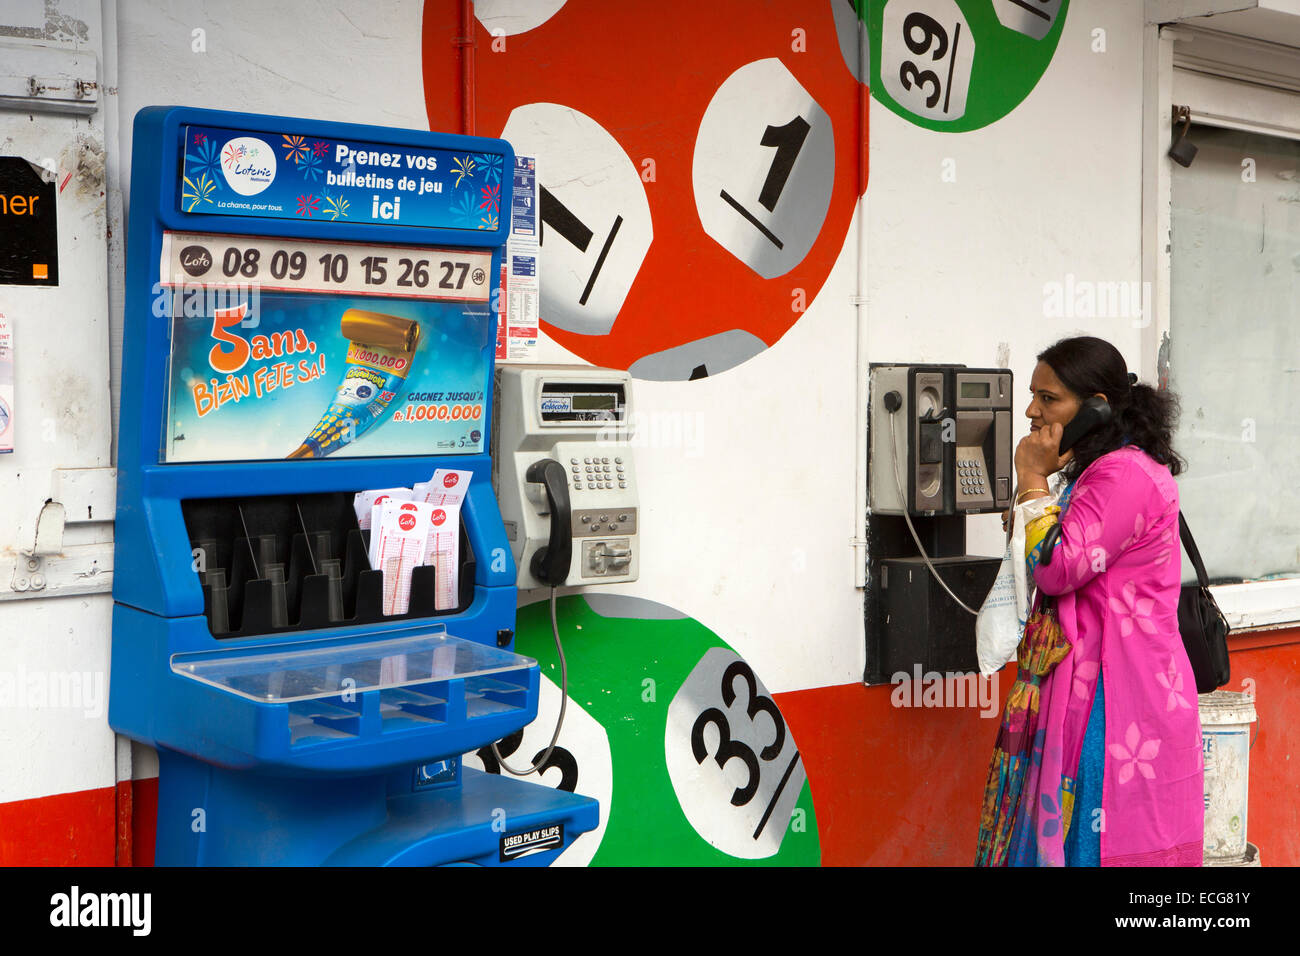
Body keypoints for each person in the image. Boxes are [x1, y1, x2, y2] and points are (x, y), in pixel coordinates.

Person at [976, 336, 1203, 867]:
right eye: (1033, 396)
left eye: (1048, 398)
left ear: (1097, 404)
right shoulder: (1099, 469)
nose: (1031, 411)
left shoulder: (1122, 473)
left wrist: (1031, 479)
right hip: (1092, 678)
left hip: (1116, 693)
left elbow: (1056, 567)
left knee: (1094, 840)